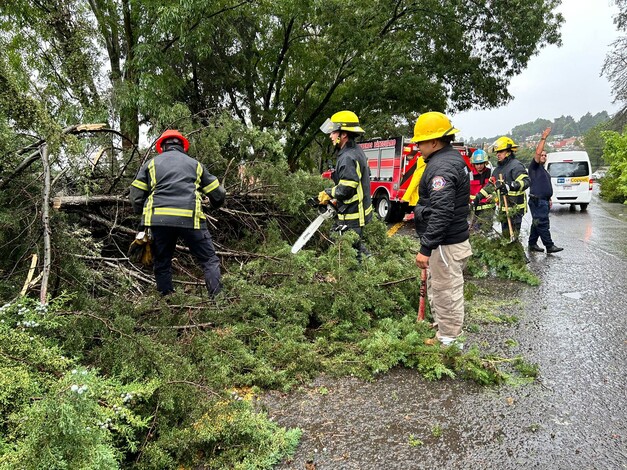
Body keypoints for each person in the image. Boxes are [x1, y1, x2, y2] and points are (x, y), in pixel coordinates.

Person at [130, 129, 226, 297]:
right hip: (190, 219)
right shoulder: (195, 165)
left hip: (159, 220)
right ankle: (218, 301)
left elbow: (136, 195)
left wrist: (142, 218)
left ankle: (167, 300)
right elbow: (218, 193)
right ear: (183, 146)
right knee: (209, 260)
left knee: (162, 261)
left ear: (162, 146)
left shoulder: (151, 164)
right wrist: (215, 204)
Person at [412, 112, 472, 347]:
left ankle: (448, 342)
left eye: (421, 142)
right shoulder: (448, 160)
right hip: (448, 242)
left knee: (447, 292)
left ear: (434, 141)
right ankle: (443, 329)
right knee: (441, 287)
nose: (418, 147)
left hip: (446, 244)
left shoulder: (441, 168)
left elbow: (442, 211)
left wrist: (426, 248)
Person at [318, 110, 373, 260]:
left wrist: (329, 193)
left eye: (333, 132)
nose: (330, 136)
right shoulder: (354, 150)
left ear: (343, 134)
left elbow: (347, 189)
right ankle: (368, 260)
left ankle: (363, 272)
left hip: (353, 213)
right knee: (352, 246)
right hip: (352, 209)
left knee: (352, 256)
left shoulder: (348, 156)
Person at [527, 128, 563, 254]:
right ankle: (549, 245)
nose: (543, 156)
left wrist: (549, 198)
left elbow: (544, 186)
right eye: (541, 155)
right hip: (537, 201)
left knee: (536, 223)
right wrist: (543, 138)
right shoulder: (534, 167)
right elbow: (537, 153)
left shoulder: (543, 170)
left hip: (544, 201)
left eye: (545, 155)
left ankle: (532, 244)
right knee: (542, 223)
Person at [490, 136, 529, 240]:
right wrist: (479, 197)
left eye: (500, 151)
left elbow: (526, 181)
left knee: (513, 239)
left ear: (508, 152)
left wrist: (509, 186)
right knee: (506, 237)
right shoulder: (497, 169)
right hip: (503, 209)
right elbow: (491, 186)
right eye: (497, 152)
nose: (497, 154)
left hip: (515, 209)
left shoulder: (516, 166)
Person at [469, 149, 496, 232]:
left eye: (481, 163)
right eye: (477, 164)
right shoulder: (470, 175)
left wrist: (493, 195)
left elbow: (496, 187)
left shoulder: (491, 173)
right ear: (473, 164)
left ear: (485, 162)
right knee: (474, 232)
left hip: (488, 208)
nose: (479, 166)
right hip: (474, 209)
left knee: (487, 231)